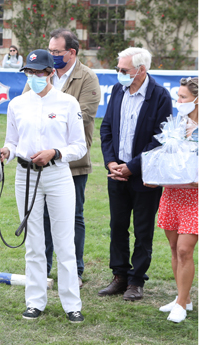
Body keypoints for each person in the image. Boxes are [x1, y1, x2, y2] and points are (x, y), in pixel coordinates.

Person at [0, 49, 86, 323]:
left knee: (64, 241)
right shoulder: (17, 104)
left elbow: (79, 146)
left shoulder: (68, 103)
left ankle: (72, 303)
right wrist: (7, 152)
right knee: (34, 242)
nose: (35, 77)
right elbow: (12, 141)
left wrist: (55, 152)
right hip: (25, 176)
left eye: (39, 72)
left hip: (57, 174)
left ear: (51, 73)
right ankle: (35, 301)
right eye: (30, 72)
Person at [23, 28, 101, 288]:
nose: (52, 55)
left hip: (72, 163)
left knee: (73, 217)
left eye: (56, 52)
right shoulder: (40, 73)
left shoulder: (87, 77)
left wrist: (54, 147)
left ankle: (74, 272)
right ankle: (42, 271)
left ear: (72, 52)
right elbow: (26, 107)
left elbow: (84, 116)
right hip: (37, 163)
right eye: (50, 50)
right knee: (39, 216)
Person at [98, 47, 172, 301]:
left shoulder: (160, 96)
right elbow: (106, 127)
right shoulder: (118, 90)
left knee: (143, 230)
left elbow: (160, 140)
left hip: (145, 176)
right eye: (118, 69)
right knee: (117, 225)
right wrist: (110, 163)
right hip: (117, 173)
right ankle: (119, 276)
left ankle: (137, 280)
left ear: (141, 70)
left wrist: (133, 166)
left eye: (123, 70)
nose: (119, 74)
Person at [150, 77, 198, 323]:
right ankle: (184, 297)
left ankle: (180, 304)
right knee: (173, 248)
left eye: (183, 98)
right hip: (173, 192)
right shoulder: (176, 125)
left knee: (184, 249)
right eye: (177, 97)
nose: (178, 101)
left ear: (199, 100)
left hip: (198, 196)